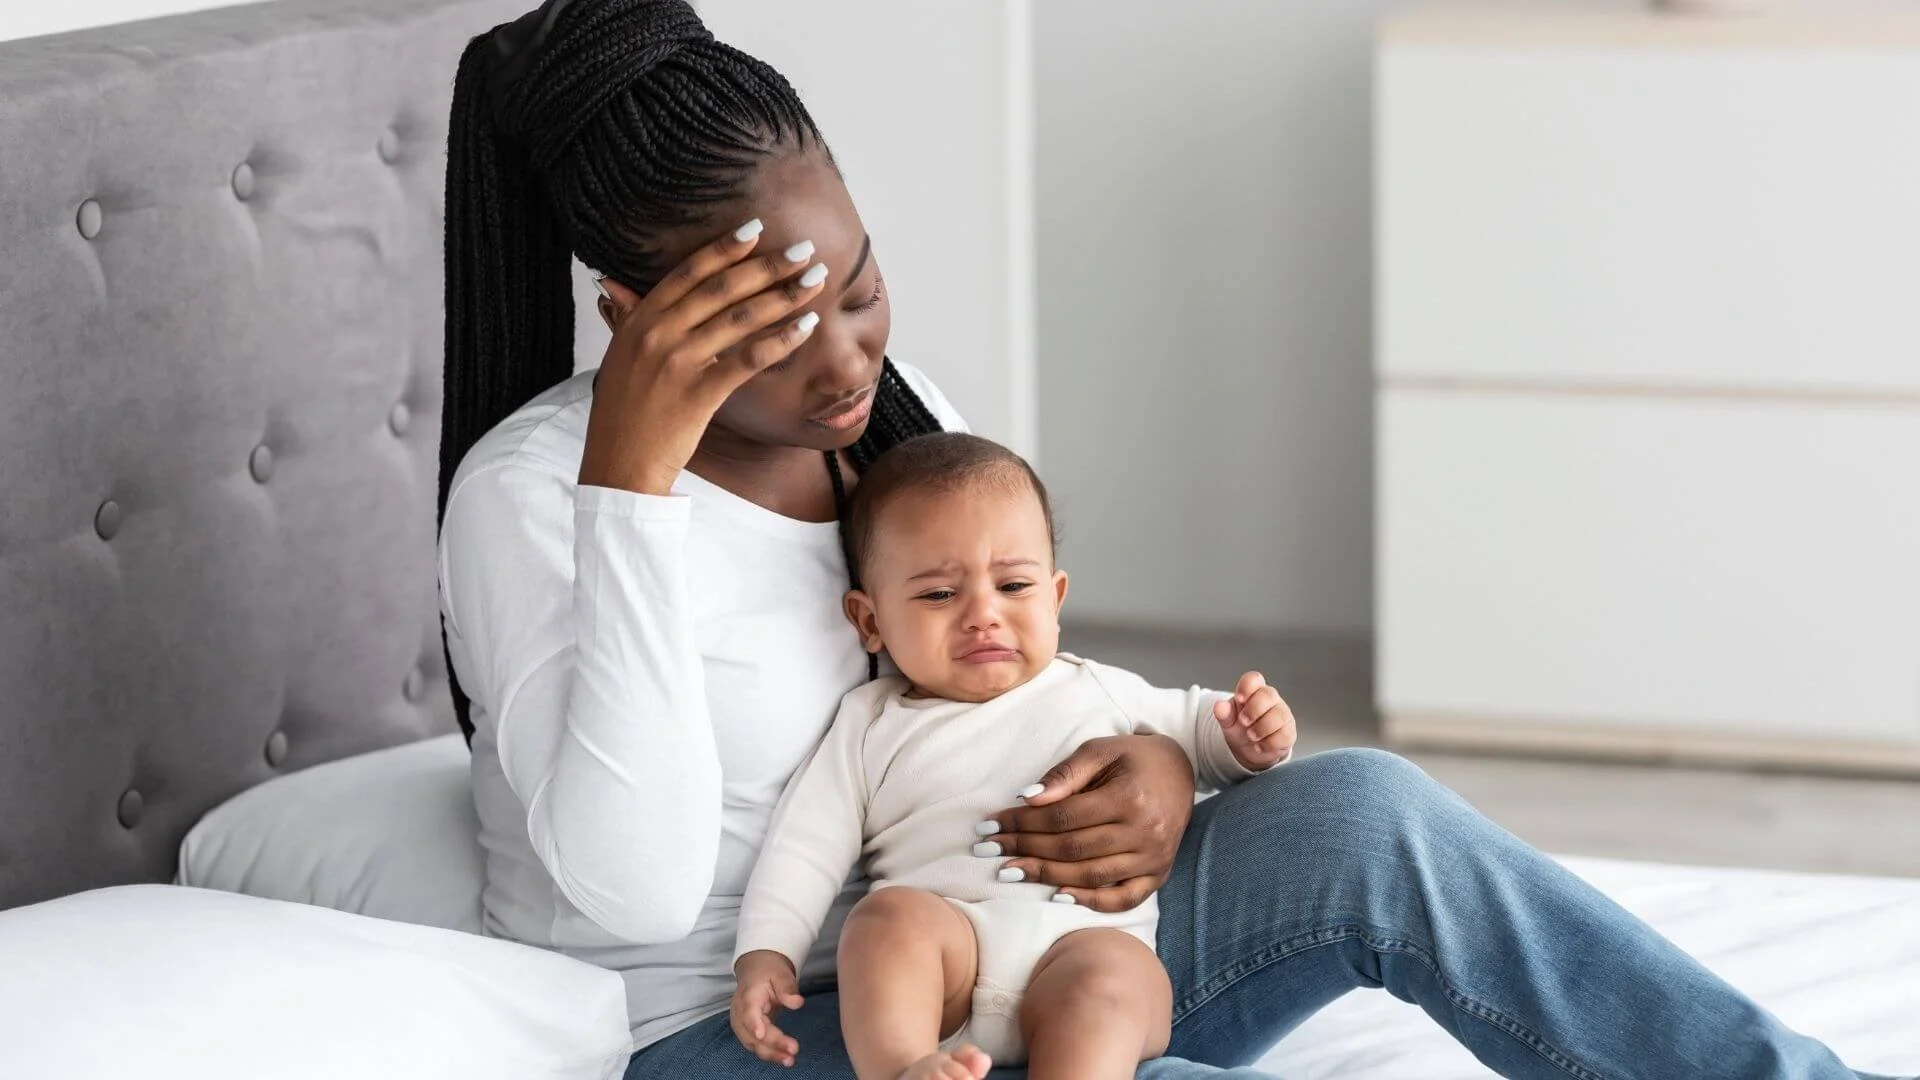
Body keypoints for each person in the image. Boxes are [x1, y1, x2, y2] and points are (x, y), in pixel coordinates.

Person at [434, 0, 1900, 1076]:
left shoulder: (895, 422)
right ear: (631, 317)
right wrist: (631, 487)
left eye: (860, 289)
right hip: (742, 1030)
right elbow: (632, 885)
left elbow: (1014, 678)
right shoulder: (532, 501)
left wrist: (1153, 769)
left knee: (1366, 811)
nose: (844, 362)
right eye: (771, 330)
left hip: (1014, 935)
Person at [729, 433, 1295, 1080]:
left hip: (1077, 949)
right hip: (948, 962)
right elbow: (805, 846)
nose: (983, 615)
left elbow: (1201, 729)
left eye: (1014, 584)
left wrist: (1247, 736)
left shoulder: (1095, 687)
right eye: (939, 595)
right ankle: (905, 1068)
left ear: (1055, 598)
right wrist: (766, 952)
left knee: (1113, 981)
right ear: (870, 621)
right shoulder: (869, 723)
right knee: (884, 921)